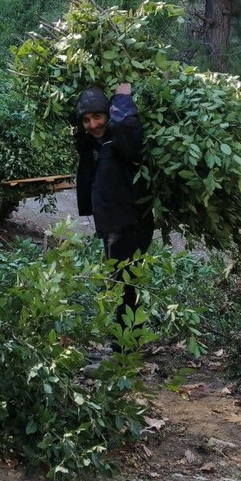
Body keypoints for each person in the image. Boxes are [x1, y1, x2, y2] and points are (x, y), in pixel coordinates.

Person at [75, 83, 154, 345]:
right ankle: (127, 343)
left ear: (109, 115)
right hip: (113, 225)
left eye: (98, 117)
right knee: (122, 285)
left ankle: (126, 349)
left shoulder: (122, 140)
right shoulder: (94, 143)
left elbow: (127, 128)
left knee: (126, 288)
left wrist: (121, 99)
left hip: (131, 224)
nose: (93, 125)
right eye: (86, 120)